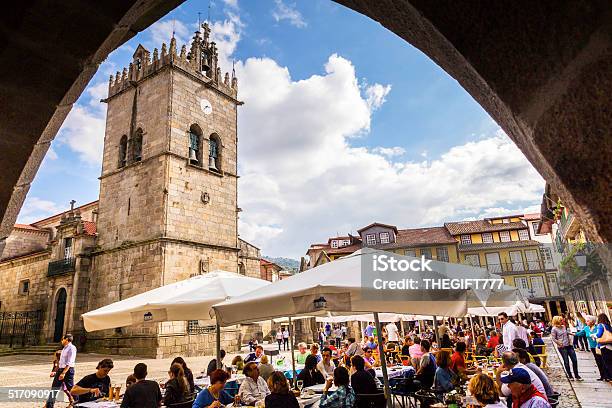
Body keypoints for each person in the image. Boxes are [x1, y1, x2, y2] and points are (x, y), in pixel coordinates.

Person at [46, 334, 77, 408]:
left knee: (71, 388)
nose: (61, 341)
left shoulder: (72, 348)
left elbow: (70, 362)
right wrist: (57, 371)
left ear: (66, 339)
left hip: (67, 371)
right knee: (54, 388)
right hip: (60, 370)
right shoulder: (64, 348)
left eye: (63, 339)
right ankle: (49, 406)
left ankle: (79, 403)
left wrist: (63, 373)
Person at [551, 315, 582, 380]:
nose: (563, 321)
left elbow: (566, 332)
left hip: (569, 346)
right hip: (562, 347)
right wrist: (559, 343)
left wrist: (572, 334)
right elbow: (553, 338)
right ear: (557, 321)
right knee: (566, 362)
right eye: (561, 320)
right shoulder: (554, 329)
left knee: (574, 360)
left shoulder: (563, 327)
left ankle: (576, 375)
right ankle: (570, 376)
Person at [594, 313, 612, 382]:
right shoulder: (608, 325)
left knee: (607, 363)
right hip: (610, 345)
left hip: (604, 346)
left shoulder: (600, 325)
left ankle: (610, 377)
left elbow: (598, 335)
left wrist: (593, 335)